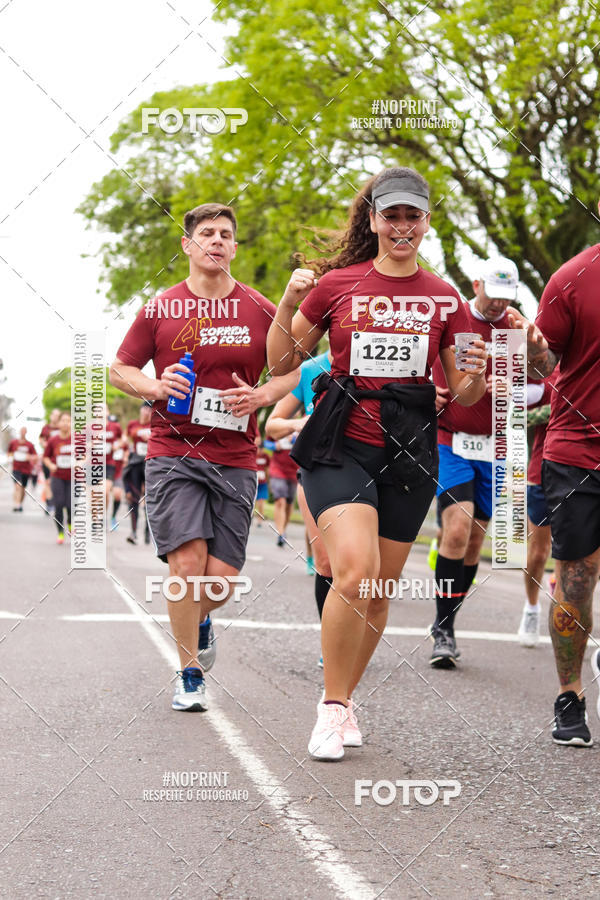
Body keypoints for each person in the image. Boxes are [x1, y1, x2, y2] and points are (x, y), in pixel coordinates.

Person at [267, 166, 487, 760]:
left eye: (412, 216)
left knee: (381, 589)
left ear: (426, 223)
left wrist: (476, 371)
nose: (401, 226)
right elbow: (283, 361)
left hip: (411, 447)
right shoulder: (339, 284)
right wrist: (288, 303)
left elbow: (465, 394)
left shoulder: (446, 299)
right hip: (342, 440)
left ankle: (345, 700)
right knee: (356, 571)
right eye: (391, 215)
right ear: (372, 219)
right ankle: (331, 706)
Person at [109, 202, 302, 711]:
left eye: (226, 234)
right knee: (186, 566)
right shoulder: (161, 308)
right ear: (188, 246)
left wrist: (263, 396)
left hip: (235, 455)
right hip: (172, 450)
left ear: (235, 248)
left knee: (219, 580)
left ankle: (201, 619)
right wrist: (154, 384)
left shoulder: (261, 309)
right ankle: (188, 673)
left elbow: (289, 372)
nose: (217, 241)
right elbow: (119, 369)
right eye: (207, 234)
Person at [511, 228, 600, 747]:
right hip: (579, 449)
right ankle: (570, 696)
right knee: (577, 579)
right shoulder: (572, 278)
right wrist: (532, 351)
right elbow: (543, 365)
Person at [429, 257, 521, 667]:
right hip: (451, 440)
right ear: (476, 282)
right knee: (458, 528)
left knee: (474, 543)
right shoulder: (456, 318)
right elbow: (439, 377)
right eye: (493, 295)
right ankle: (442, 629)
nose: (499, 305)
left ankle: (449, 619)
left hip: (494, 447)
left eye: (506, 298)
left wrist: (520, 367)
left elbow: (528, 391)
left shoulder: (514, 329)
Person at [266, 349, 333, 664]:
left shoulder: (379, 361)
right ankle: (330, 642)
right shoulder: (311, 369)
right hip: (316, 471)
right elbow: (272, 425)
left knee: (366, 567)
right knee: (327, 562)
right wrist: (301, 424)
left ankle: (355, 634)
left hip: (369, 471)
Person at [516, 373, 558, 647]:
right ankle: (531, 607)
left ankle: (566, 619)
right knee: (539, 553)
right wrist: (560, 408)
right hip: (543, 473)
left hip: (588, 474)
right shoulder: (548, 374)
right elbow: (516, 417)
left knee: (582, 556)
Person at [123, 402, 152, 544]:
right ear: (140, 410)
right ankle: (133, 532)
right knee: (133, 497)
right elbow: (126, 437)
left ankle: (148, 533)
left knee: (150, 499)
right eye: (145, 408)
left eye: (150, 409)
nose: (147, 412)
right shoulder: (132, 424)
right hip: (135, 463)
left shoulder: (154, 426)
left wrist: (151, 439)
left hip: (150, 465)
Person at [43, 411, 73, 544]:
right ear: (59, 423)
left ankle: (71, 524)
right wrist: (50, 465)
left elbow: (85, 455)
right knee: (59, 504)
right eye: (63, 420)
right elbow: (45, 457)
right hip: (57, 477)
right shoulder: (53, 440)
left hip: (73, 477)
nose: (66, 423)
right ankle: (60, 533)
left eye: (68, 421)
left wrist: (80, 462)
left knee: (70, 505)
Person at [264, 433, 298, 546]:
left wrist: (295, 439)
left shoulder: (303, 422)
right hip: (277, 469)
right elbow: (265, 442)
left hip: (294, 470)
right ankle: (281, 533)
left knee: (289, 503)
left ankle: (283, 528)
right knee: (280, 500)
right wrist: (274, 446)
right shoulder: (278, 421)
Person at [8, 427, 37, 511]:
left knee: (23, 488)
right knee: (18, 486)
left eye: (24, 432)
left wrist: (30, 457)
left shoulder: (30, 445)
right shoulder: (13, 443)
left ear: (26, 433)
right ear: (19, 432)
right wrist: (10, 457)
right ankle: (17, 505)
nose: (23, 433)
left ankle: (20, 503)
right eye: (21, 431)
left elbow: (35, 456)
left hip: (26, 469)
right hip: (16, 468)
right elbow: (9, 452)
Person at [39, 408, 61, 513]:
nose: (56, 417)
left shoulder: (62, 427)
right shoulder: (46, 428)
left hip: (59, 460)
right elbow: (41, 439)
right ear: (51, 415)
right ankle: (49, 503)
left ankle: (57, 501)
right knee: (48, 481)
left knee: (56, 482)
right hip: (48, 458)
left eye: (58, 415)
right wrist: (44, 444)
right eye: (54, 415)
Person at [253, 435, 270, 526]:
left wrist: (268, 480)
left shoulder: (266, 457)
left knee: (261, 502)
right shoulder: (253, 455)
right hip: (254, 482)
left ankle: (260, 519)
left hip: (263, 483)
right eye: (259, 448)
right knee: (253, 501)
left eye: (262, 448)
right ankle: (250, 517)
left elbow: (267, 469)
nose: (260, 450)